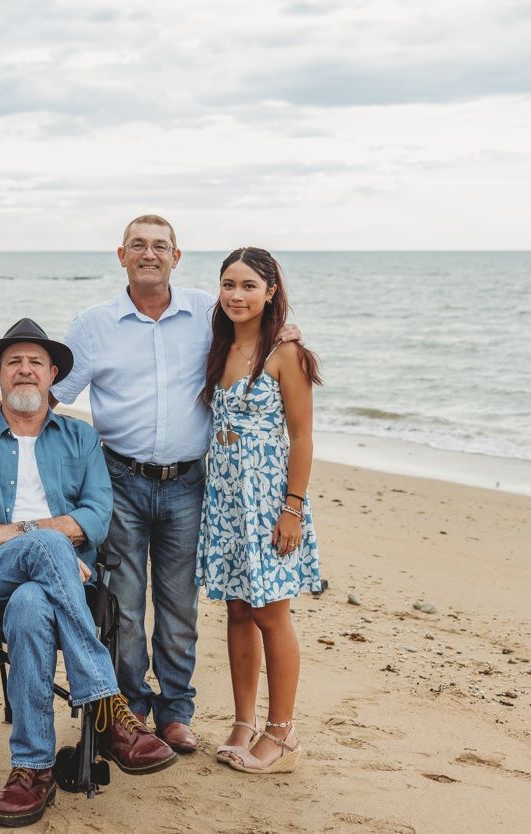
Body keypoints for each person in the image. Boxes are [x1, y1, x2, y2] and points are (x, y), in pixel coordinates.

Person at [49, 215, 300, 754]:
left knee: (180, 605)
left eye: (159, 246)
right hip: (118, 478)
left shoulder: (205, 316)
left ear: (176, 257)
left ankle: (177, 712)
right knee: (125, 600)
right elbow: (53, 393)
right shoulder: (93, 324)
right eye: (137, 245)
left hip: (191, 482)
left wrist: (290, 331)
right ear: (121, 255)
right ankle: (135, 704)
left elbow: (256, 330)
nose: (148, 254)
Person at [0, 318, 177, 828]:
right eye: (14, 363)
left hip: (51, 580)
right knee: (48, 543)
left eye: (35, 363)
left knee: (31, 605)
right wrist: (39, 538)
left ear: (52, 375)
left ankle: (31, 770)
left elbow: (96, 516)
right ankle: (109, 706)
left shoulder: (81, 439)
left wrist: (12, 529)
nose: (25, 371)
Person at [198, 247, 322, 774]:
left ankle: (283, 732)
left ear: (271, 291)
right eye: (228, 284)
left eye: (249, 285)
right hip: (225, 499)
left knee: (273, 614)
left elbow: (302, 435)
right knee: (237, 609)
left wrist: (291, 509)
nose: (236, 295)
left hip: (269, 501)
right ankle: (244, 722)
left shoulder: (283, 353)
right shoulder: (218, 346)